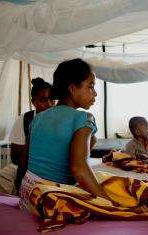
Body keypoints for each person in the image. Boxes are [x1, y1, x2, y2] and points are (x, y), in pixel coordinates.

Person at [17, 58, 110, 211]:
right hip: (51, 201)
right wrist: (110, 204)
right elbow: (79, 169)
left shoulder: (37, 119)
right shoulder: (83, 118)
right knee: (116, 186)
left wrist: (20, 196)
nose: (95, 93)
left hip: (28, 197)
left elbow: (24, 162)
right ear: (73, 88)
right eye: (91, 86)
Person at [0, 77, 54, 194]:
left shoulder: (60, 119)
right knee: (4, 174)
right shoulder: (25, 120)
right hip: (28, 165)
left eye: (52, 100)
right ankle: (12, 202)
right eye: (43, 100)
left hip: (53, 167)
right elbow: (15, 158)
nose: (49, 104)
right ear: (33, 102)